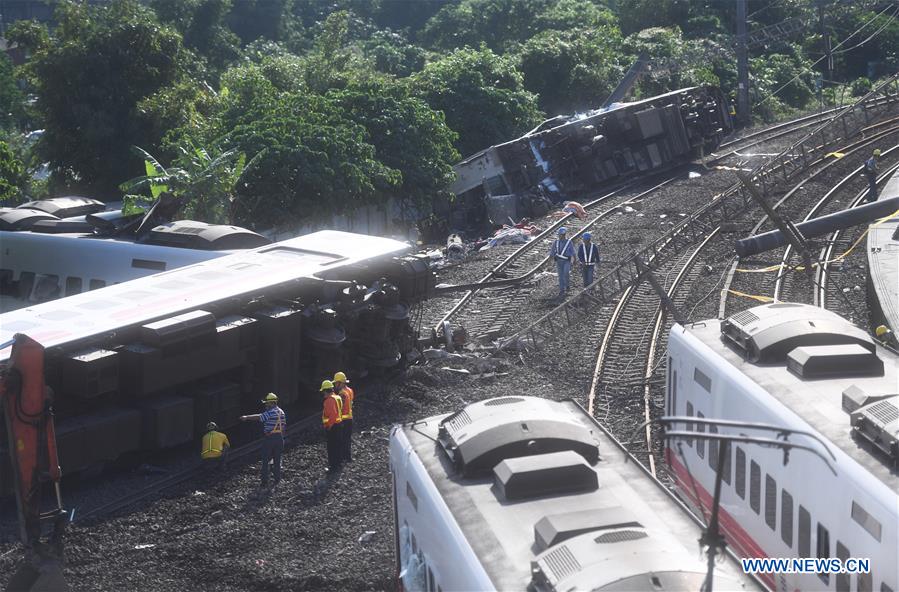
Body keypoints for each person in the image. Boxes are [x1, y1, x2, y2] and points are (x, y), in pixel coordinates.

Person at [240, 393, 286, 488]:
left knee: (265, 460)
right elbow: (284, 427)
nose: (266, 405)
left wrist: (247, 417)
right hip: (279, 438)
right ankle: (277, 480)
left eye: (267, 403)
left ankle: (264, 482)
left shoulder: (270, 412)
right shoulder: (282, 412)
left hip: (270, 439)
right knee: (277, 460)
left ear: (271, 403)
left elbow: (259, 417)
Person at [320, 380, 344, 473]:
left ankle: (333, 467)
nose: (323, 394)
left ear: (326, 391)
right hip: (339, 424)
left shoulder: (329, 400)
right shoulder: (337, 397)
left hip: (333, 426)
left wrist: (329, 426)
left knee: (332, 447)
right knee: (338, 445)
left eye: (323, 392)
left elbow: (333, 414)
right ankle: (338, 464)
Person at [333, 371, 355, 463]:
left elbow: (339, 408)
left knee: (341, 439)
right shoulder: (350, 390)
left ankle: (342, 458)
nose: (335, 385)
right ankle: (348, 457)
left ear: (340, 383)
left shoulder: (341, 394)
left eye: (336, 383)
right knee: (347, 438)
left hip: (343, 420)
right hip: (350, 418)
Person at [550, 227, 574, 299]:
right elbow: (552, 253)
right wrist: (550, 262)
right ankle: (562, 289)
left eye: (562, 235)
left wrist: (573, 261)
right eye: (560, 235)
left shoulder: (569, 242)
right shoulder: (556, 242)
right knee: (560, 276)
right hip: (559, 261)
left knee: (566, 272)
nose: (561, 236)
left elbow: (572, 253)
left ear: (564, 235)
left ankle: (567, 285)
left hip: (567, 260)